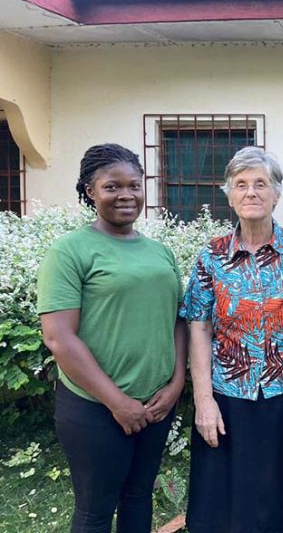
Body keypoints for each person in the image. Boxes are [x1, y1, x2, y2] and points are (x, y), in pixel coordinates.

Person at [37, 144, 187, 533]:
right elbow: (59, 338)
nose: (126, 195)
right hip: (95, 408)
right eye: (112, 186)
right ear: (91, 191)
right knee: (95, 511)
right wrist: (118, 402)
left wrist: (175, 385)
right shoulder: (70, 252)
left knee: (138, 497)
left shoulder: (160, 253)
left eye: (134, 186)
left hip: (155, 405)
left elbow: (177, 320)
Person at [181, 146, 283, 533]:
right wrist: (203, 401)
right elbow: (199, 326)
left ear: (277, 193)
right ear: (229, 194)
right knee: (225, 506)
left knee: (280, 503)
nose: (251, 192)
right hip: (226, 396)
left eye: (261, 183)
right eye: (241, 184)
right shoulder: (212, 256)